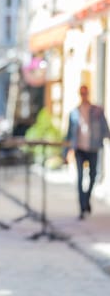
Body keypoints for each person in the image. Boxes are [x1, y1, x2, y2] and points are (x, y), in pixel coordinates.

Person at [65, 85, 110, 220]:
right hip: (79, 148)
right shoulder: (74, 113)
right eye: (82, 93)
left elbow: (104, 127)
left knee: (93, 176)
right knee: (79, 178)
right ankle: (82, 206)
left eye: (85, 93)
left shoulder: (97, 111)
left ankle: (86, 199)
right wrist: (65, 152)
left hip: (93, 147)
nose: (84, 95)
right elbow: (69, 135)